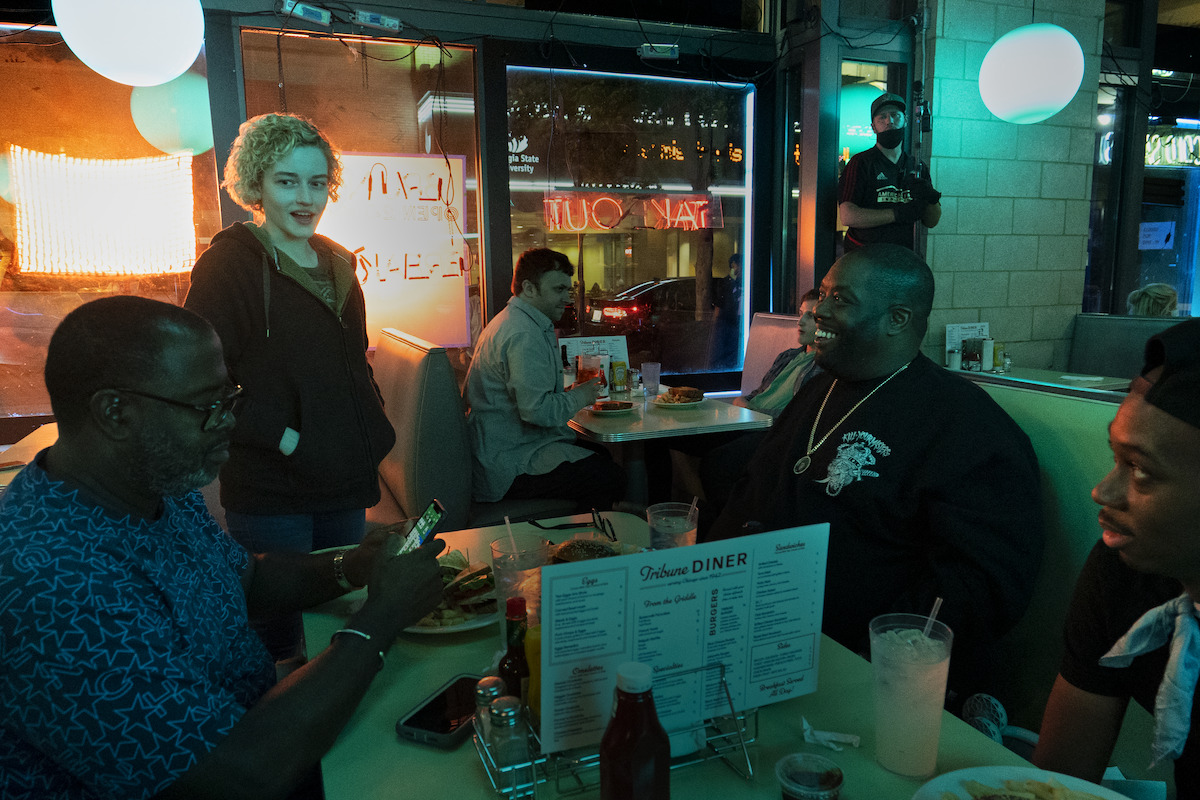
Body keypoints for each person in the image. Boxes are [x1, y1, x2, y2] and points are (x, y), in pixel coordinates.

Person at [0, 296, 444, 800]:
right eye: (207, 406)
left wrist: (352, 565)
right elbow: (235, 776)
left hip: (249, 720)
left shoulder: (154, 485)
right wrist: (380, 618)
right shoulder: (52, 582)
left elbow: (244, 580)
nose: (229, 420)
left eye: (229, 398)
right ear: (115, 412)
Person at [703, 244, 1043, 701]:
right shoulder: (820, 386)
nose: (819, 310)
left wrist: (869, 659)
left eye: (840, 299)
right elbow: (753, 493)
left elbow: (978, 587)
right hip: (749, 641)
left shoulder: (966, 427)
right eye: (822, 294)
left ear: (897, 319)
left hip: (861, 676)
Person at [185, 113, 395, 660]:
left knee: (337, 617)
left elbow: (354, 360)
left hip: (345, 475)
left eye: (317, 182)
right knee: (278, 635)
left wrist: (372, 428)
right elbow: (198, 379)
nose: (306, 197)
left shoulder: (339, 263)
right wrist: (283, 438)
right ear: (255, 186)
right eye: (287, 181)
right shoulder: (227, 266)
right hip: (273, 485)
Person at [1033, 318, 1200, 793]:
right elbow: (1059, 781)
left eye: (1139, 469)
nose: (1102, 491)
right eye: (1115, 456)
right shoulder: (1124, 572)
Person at [464, 247, 625, 512]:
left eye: (567, 290)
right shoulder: (523, 334)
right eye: (558, 290)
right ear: (529, 288)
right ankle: (583, 545)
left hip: (499, 450)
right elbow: (536, 412)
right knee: (608, 476)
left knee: (603, 457)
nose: (566, 298)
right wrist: (582, 394)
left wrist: (572, 392)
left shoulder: (517, 321)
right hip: (507, 465)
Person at [695, 289, 824, 513]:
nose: (800, 321)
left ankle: (727, 524)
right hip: (747, 419)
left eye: (810, 316)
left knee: (717, 462)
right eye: (801, 313)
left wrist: (753, 411)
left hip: (770, 431)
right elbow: (756, 394)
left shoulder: (823, 366)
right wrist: (743, 401)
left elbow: (797, 416)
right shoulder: (788, 356)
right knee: (672, 439)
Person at [838, 92, 942, 252]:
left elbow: (931, 221)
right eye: (882, 117)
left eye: (895, 115)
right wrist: (896, 214)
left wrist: (931, 198)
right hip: (865, 258)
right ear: (873, 127)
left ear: (906, 120)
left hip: (905, 256)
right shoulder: (861, 163)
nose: (889, 121)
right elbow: (848, 216)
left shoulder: (916, 166)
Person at [711, 253, 744, 368]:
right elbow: (719, 305)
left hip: (740, 322)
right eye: (734, 266)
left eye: (738, 266)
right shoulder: (725, 283)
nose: (737, 270)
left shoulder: (746, 283)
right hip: (728, 323)